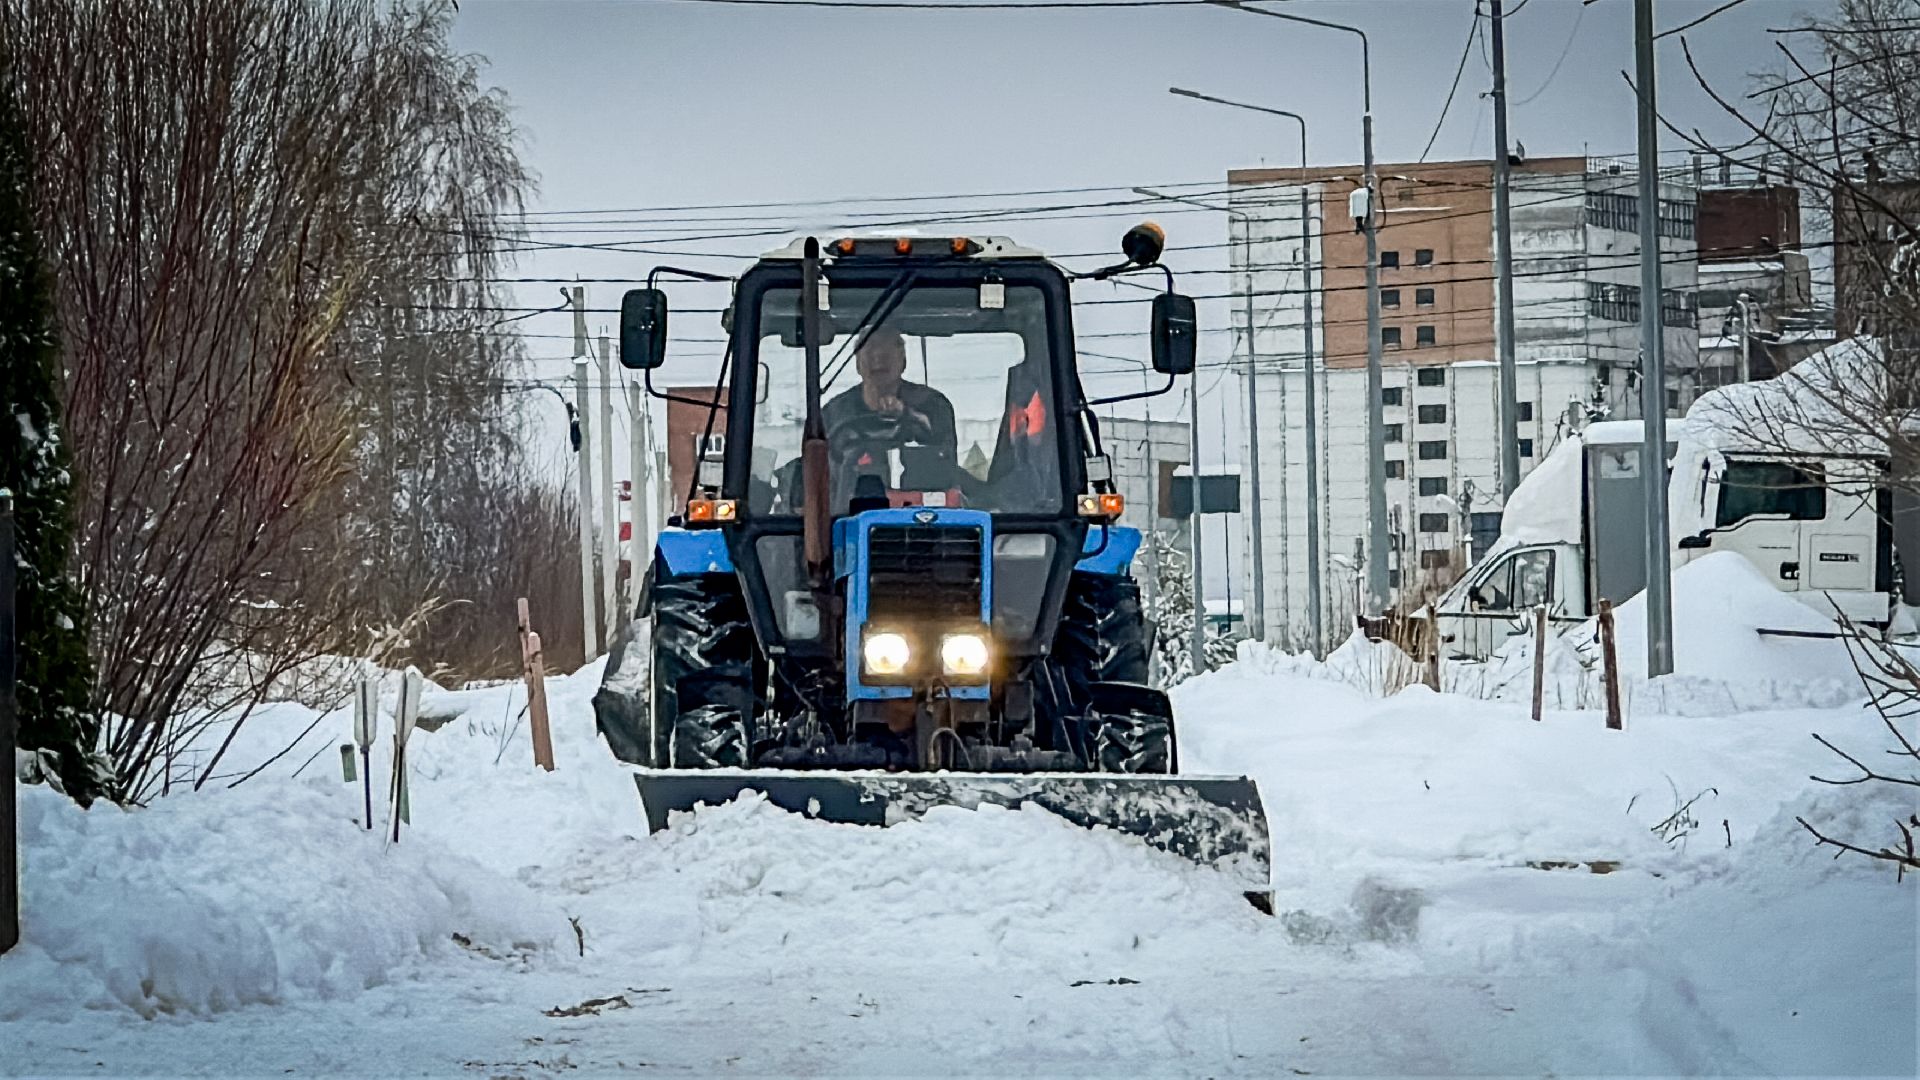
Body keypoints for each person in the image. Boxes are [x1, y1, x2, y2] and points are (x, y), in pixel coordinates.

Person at [823, 329, 958, 468]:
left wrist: (908, 416)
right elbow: (818, 472)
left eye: (886, 354)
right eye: (869, 352)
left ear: (903, 362)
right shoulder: (833, 413)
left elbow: (945, 463)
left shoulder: (932, 404)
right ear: (857, 363)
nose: (877, 358)